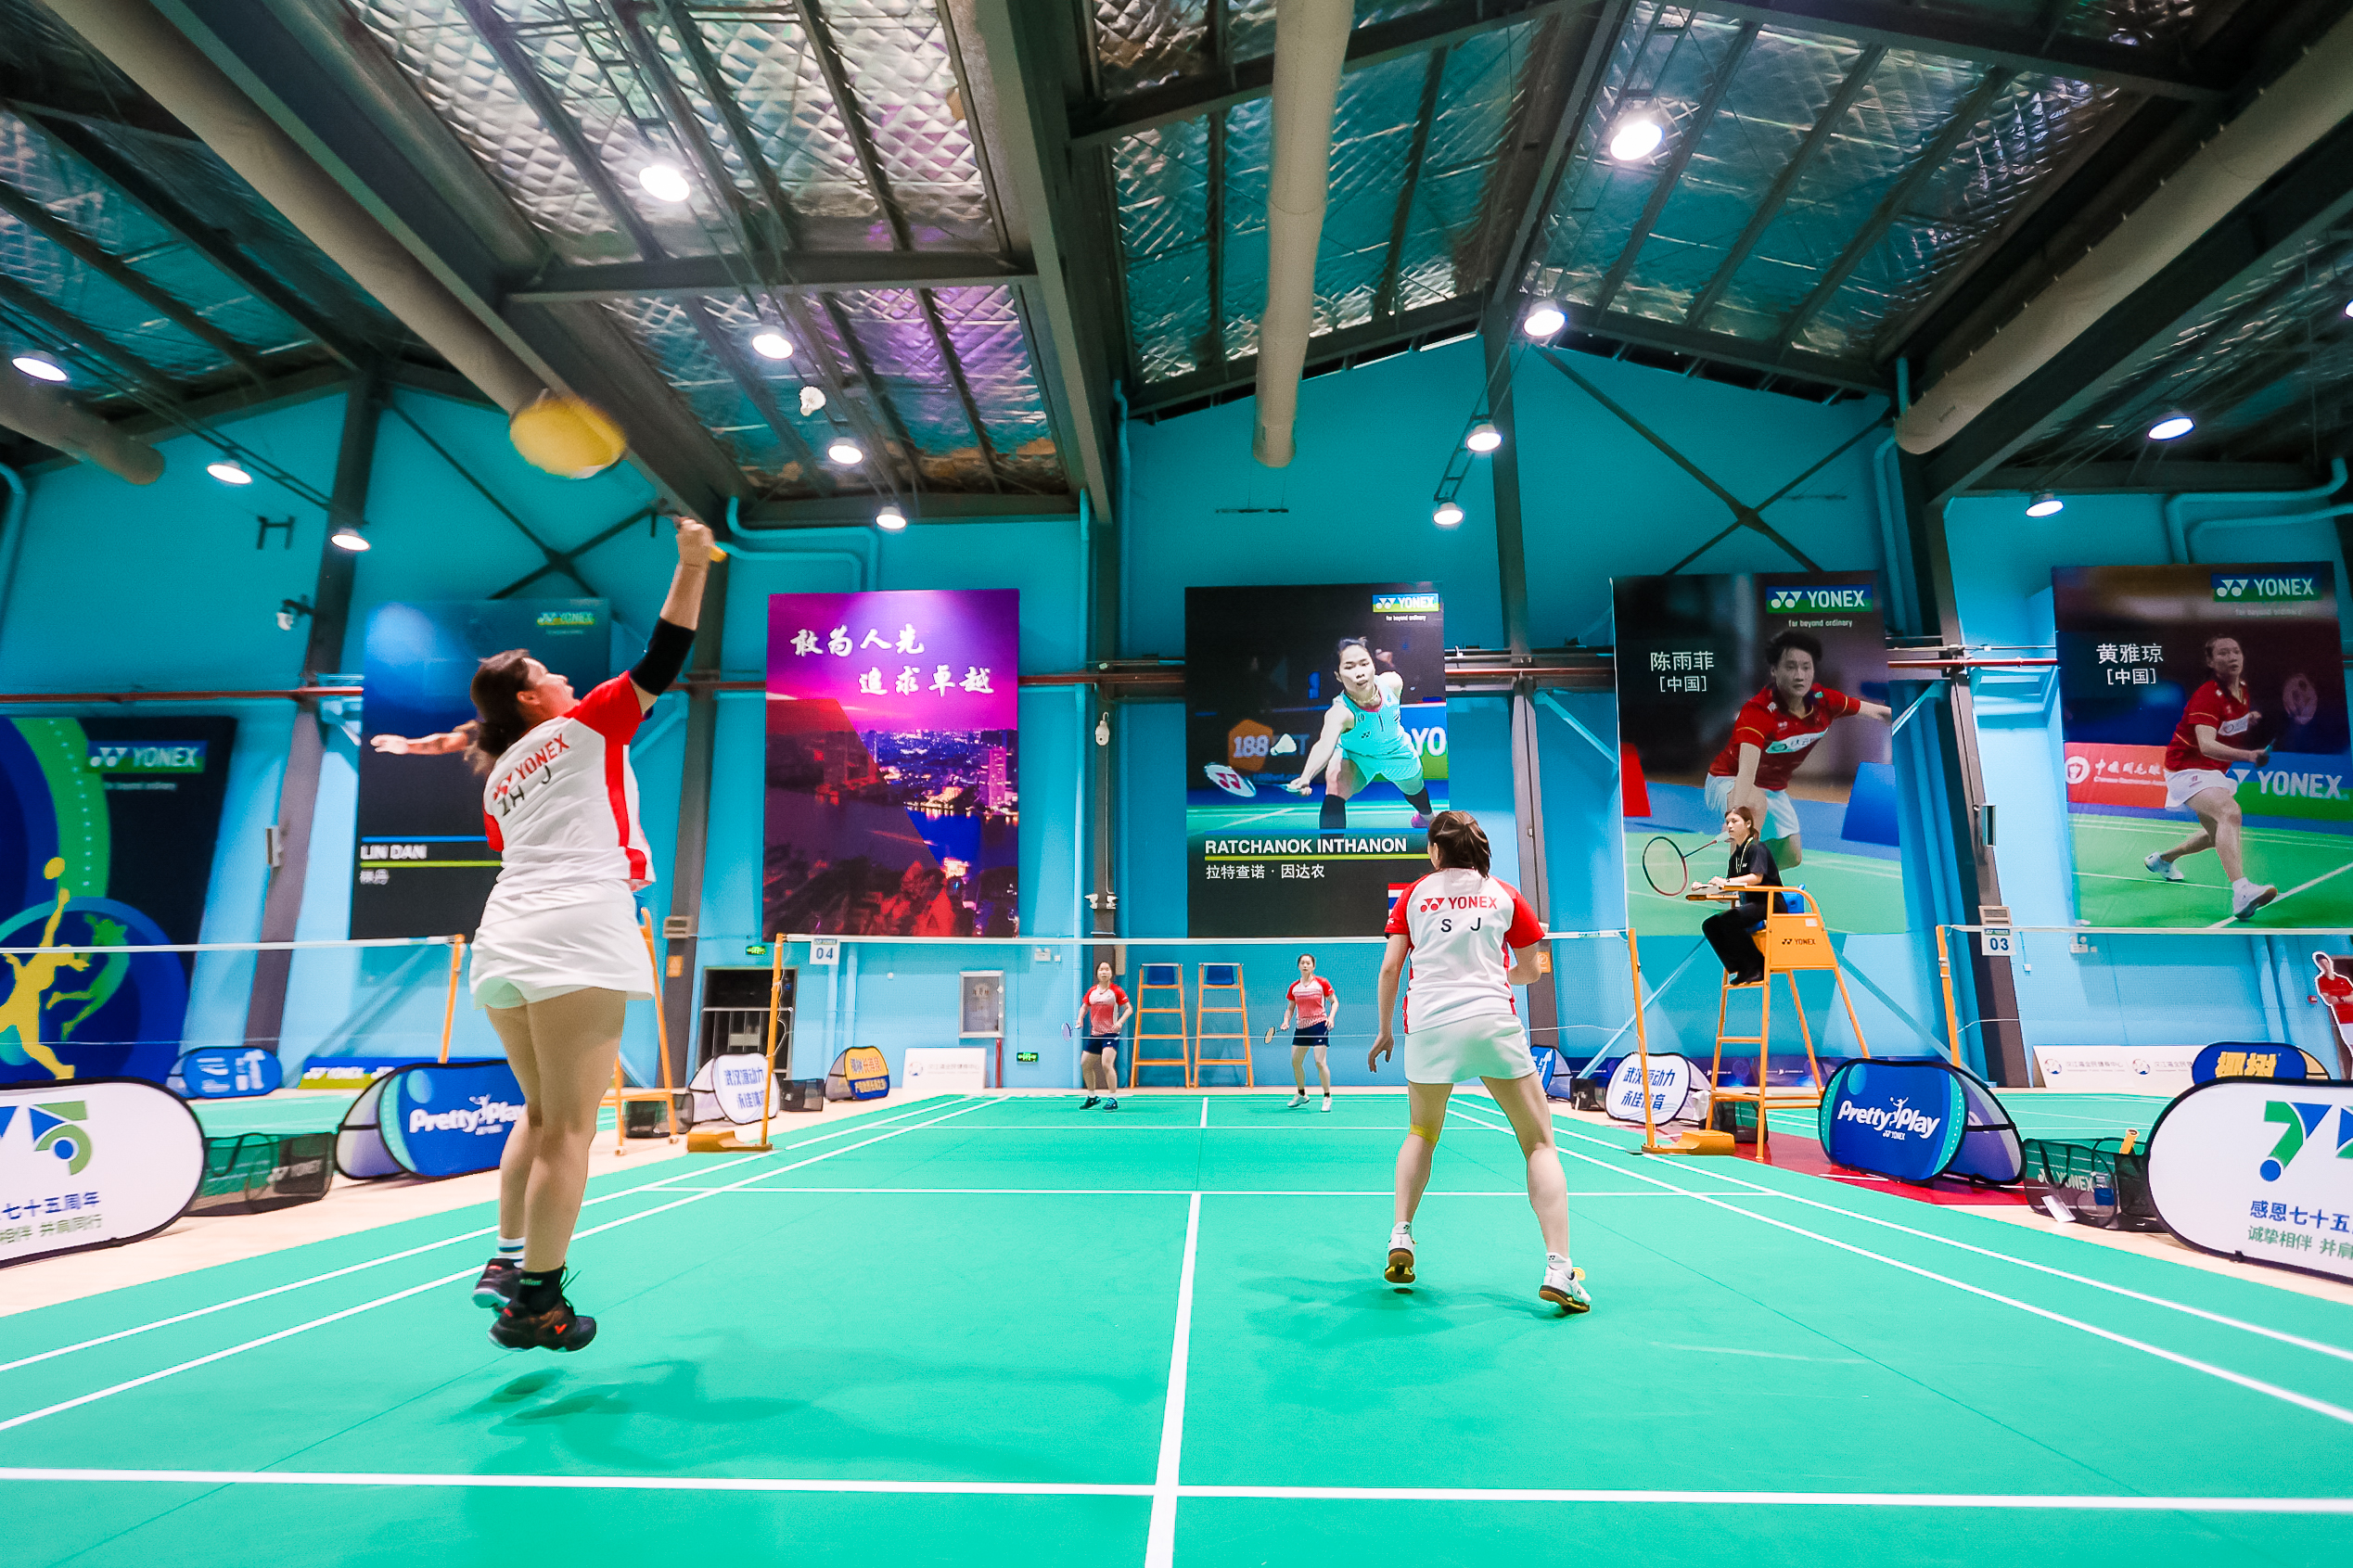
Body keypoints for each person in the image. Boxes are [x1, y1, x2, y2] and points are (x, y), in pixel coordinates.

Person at [443, 516, 716, 1353]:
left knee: (538, 1111)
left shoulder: (497, 779)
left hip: (502, 939)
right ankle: (538, 1301)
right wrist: (692, 564)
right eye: (547, 673)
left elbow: (512, 847)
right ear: (532, 699)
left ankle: (506, 1257)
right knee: (571, 1127)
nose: (563, 677)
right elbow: (664, 655)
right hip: (577, 927)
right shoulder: (586, 723)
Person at [1368, 809, 1587, 1314]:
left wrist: (1384, 1030)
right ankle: (1559, 1269)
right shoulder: (1505, 894)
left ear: (1436, 851)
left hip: (1428, 1025)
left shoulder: (1413, 895)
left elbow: (1390, 968)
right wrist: (1494, 972)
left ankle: (1401, 1234)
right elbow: (1532, 969)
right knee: (1539, 1143)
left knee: (1421, 1132)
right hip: (1491, 1021)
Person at [1705, 630, 1891, 869]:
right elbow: (1746, 772)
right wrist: (1735, 816)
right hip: (1729, 779)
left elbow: (1877, 712)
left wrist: (1902, 715)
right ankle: (1736, 878)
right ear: (1774, 670)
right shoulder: (1758, 712)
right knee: (1753, 804)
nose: (1800, 675)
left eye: (1806, 667)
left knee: (1790, 856)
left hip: (1772, 788)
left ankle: (1753, 873)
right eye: (1791, 667)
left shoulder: (1824, 701)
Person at [2145, 634, 2276, 920]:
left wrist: (2248, 719)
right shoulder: (2207, 694)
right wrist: (2250, 755)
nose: (2232, 657)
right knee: (2230, 812)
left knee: (2217, 834)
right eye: (2223, 653)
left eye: (2236, 651)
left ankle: (2163, 860)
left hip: (2213, 771)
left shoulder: (2242, 690)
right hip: (2186, 768)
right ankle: (2242, 892)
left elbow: (2226, 723)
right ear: (2210, 661)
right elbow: (2206, 744)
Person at [1284, 637, 1435, 831]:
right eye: (1349, 667)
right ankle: (1330, 848)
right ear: (1338, 676)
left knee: (1417, 793)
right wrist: (1306, 776)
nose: (1359, 672)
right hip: (1356, 757)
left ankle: (1427, 818)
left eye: (1364, 663)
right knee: (1335, 788)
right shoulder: (1341, 712)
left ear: (1373, 665)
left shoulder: (1393, 683)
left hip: (1397, 752)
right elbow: (1324, 745)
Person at [1699, 805, 1781, 987]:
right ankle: (1741, 967)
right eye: (1727, 822)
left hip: (1769, 902)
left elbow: (1756, 878)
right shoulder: (1735, 857)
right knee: (1710, 925)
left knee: (1730, 920)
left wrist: (1725, 882)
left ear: (1748, 824)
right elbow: (1729, 887)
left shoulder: (1757, 848)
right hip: (1751, 904)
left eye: (1734, 821)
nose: (1729, 825)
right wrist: (1704, 888)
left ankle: (1758, 965)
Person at [1266, 952, 1336, 1111]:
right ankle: (1301, 1094)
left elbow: (1334, 1002)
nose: (1305, 965)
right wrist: (1286, 1021)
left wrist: (1331, 1018)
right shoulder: (1294, 987)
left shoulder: (1322, 983)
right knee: (1296, 1062)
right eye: (1302, 963)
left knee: (1320, 1062)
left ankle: (1327, 1097)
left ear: (1313, 966)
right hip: (1301, 1028)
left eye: (1308, 963)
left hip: (1319, 1025)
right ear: (1298, 966)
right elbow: (1290, 1008)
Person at [1075, 959, 1130, 1111]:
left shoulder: (1116, 991)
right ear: (1097, 973)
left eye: (1107, 969)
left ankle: (1113, 1098)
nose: (1104, 972)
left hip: (1110, 1034)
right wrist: (1080, 1019)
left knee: (1106, 1064)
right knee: (1085, 1064)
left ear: (1111, 973)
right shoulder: (1092, 991)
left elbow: (1129, 1008)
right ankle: (1092, 1096)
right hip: (1095, 1034)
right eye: (1101, 969)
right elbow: (1084, 1007)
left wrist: (1120, 1022)